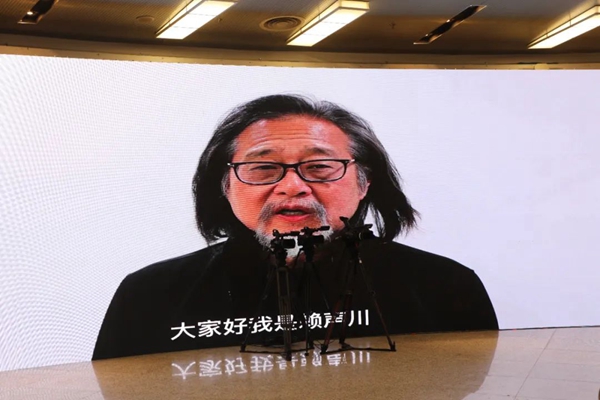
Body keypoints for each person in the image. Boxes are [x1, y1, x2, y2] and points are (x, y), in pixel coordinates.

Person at [92, 94, 498, 360]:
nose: (292, 187)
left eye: (319, 166)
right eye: (263, 168)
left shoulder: (443, 285)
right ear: (224, 185)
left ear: (364, 182)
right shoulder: (151, 293)